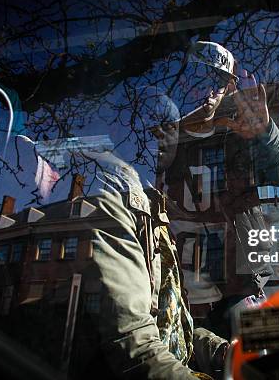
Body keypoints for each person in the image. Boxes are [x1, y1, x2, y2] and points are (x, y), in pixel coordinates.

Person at [73, 87, 229, 380]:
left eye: (170, 126)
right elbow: (132, 342)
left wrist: (224, 352)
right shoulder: (114, 196)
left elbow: (173, 327)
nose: (161, 135)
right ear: (124, 130)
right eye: (149, 123)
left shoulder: (154, 207)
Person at [163, 41, 279, 304]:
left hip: (239, 284)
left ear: (228, 87)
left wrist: (266, 134)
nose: (208, 90)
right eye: (199, 77)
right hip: (174, 284)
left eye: (218, 80)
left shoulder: (243, 132)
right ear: (183, 82)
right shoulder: (165, 139)